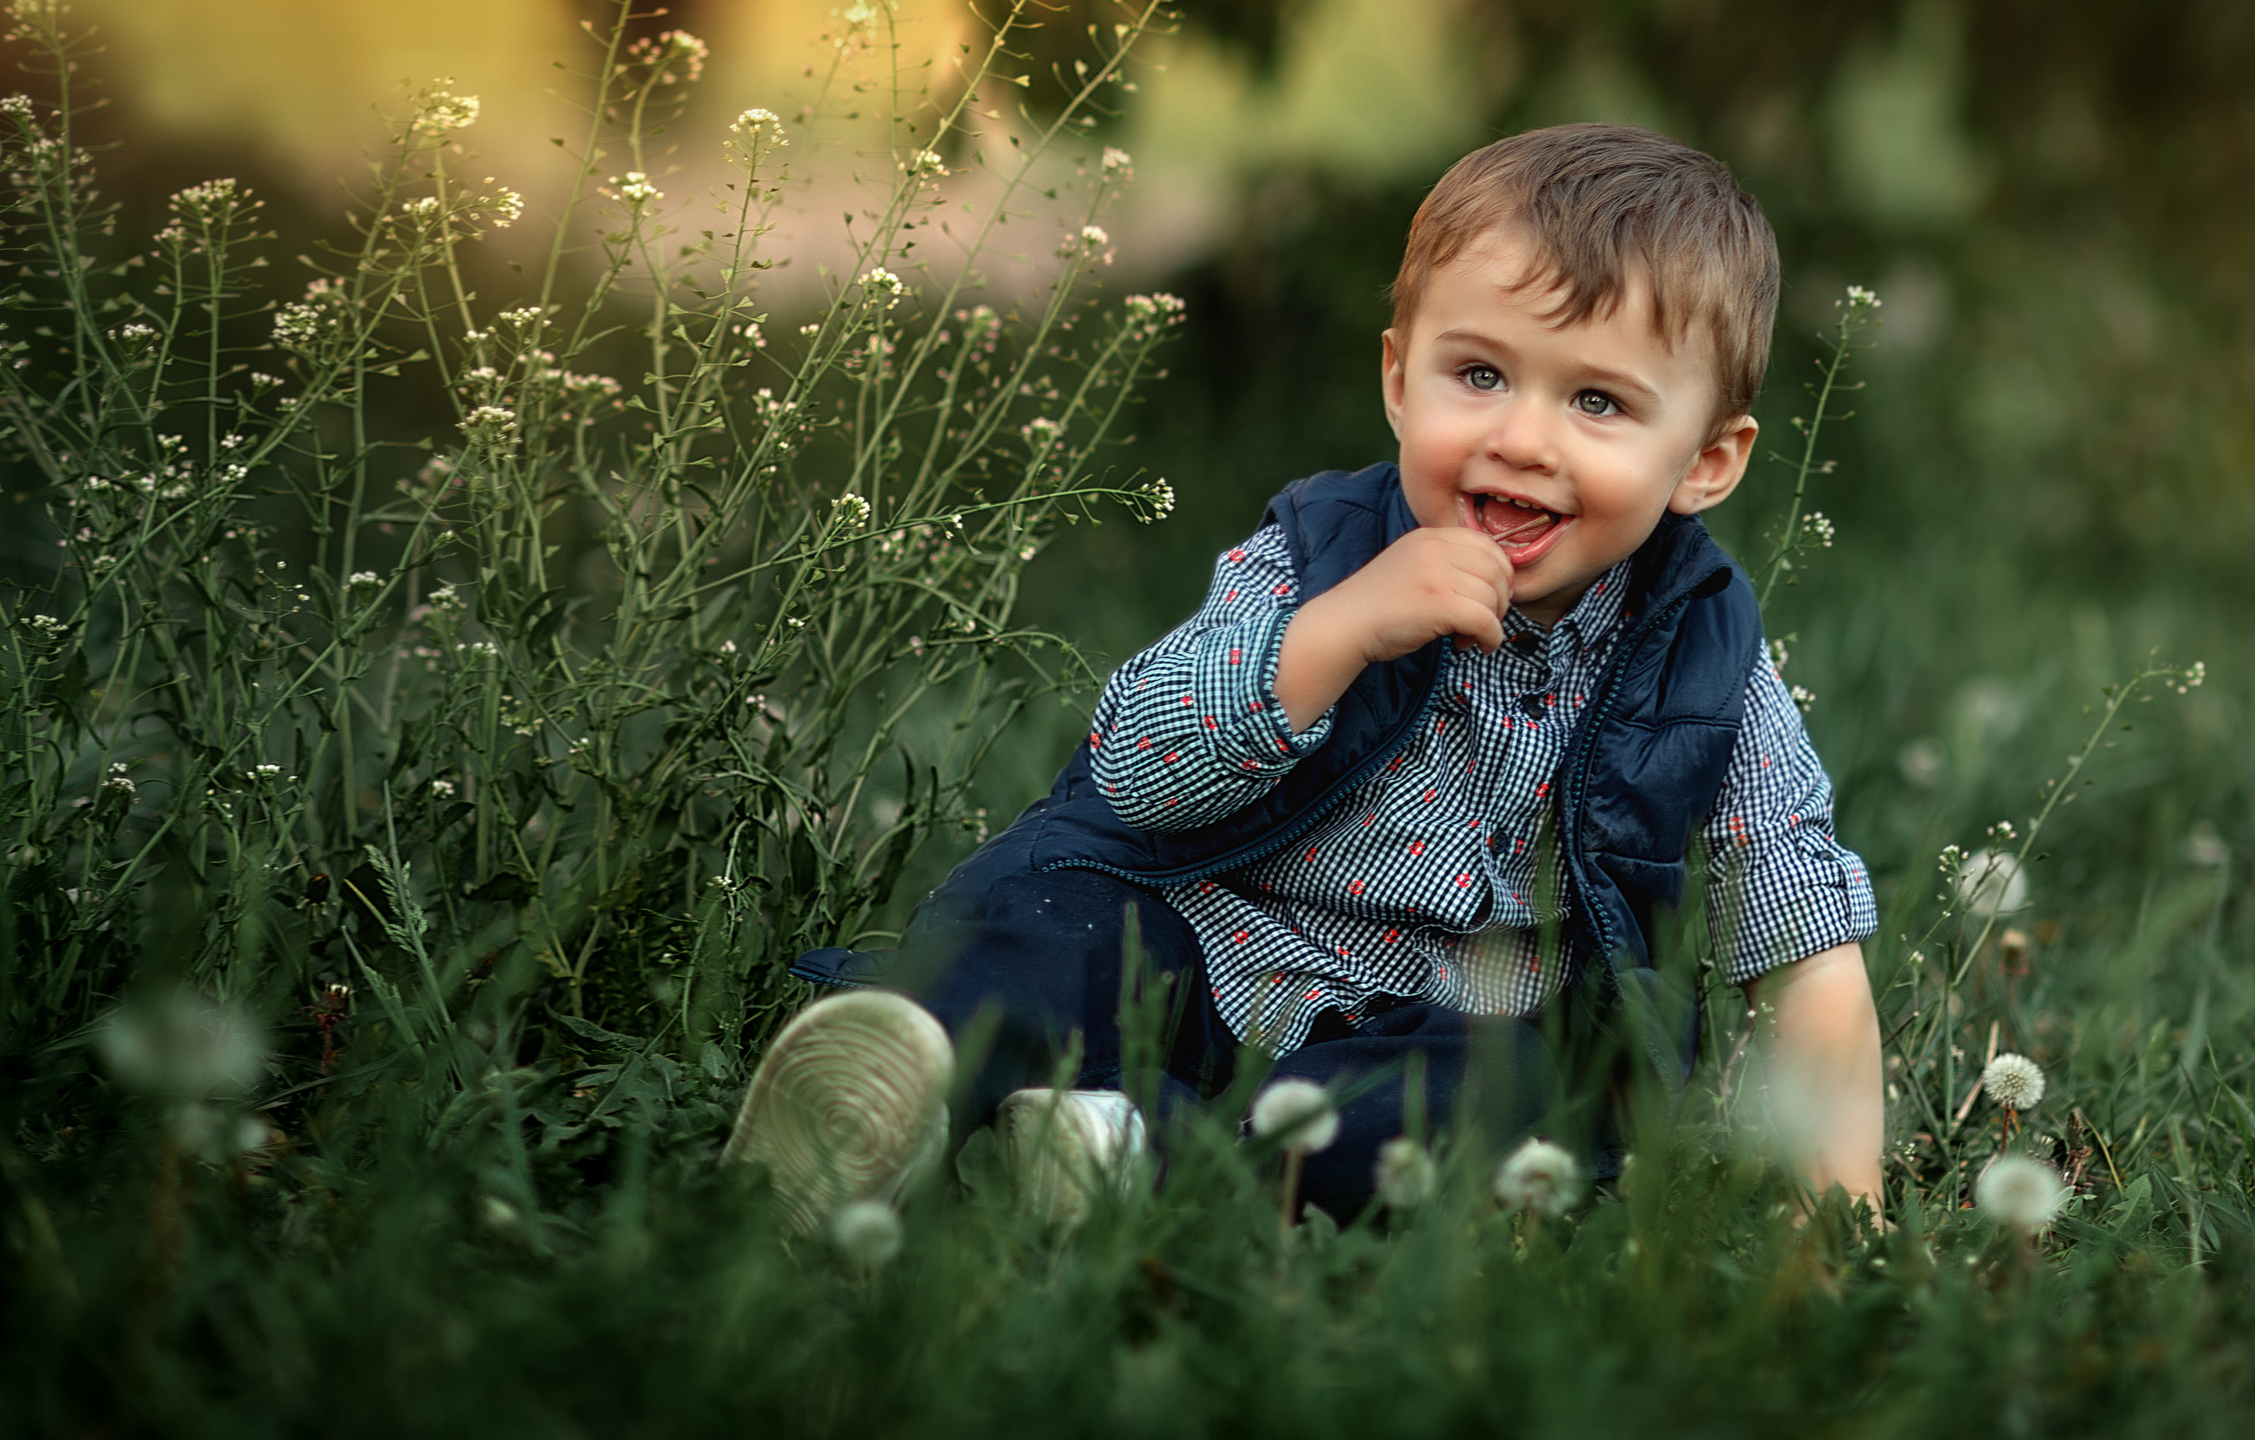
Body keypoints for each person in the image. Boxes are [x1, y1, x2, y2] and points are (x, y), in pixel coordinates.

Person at [722, 124, 1883, 1232]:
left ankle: (1125, 1156)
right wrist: (1337, 632)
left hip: (1442, 1033)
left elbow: (1803, 945)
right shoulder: (1317, 558)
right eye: (1477, 373)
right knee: (1049, 925)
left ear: (1707, 459)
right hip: (1198, 944)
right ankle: (896, 1078)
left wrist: (1845, 1216)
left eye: (1596, 401)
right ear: (1397, 378)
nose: (1523, 437)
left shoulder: (1704, 667)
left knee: (1522, 1102)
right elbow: (1136, 767)